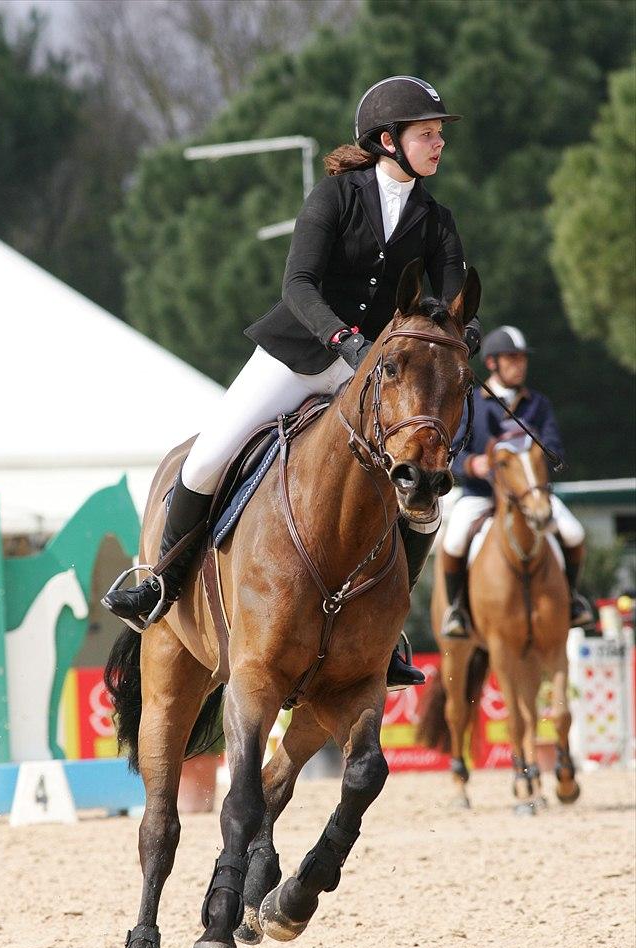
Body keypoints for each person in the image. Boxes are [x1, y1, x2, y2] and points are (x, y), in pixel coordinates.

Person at [103, 75, 481, 686]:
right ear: (389, 140)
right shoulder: (335, 197)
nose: (439, 144)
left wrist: (464, 330)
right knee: (207, 459)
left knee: (422, 499)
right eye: (428, 134)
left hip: (373, 377)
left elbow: (455, 291)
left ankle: (386, 632)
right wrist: (343, 339)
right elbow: (298, 285)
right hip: (299, 353)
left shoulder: (436, 220)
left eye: (439, 134)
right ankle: (160, 584)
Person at [440, 324, 594, 637]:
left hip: (530, 494)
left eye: (522, 358)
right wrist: (473, 463)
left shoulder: (538, 404)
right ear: (492, 362)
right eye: (512, 359)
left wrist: (538, 456)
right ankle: (456, 609)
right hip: (481, 493)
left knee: (574, 533)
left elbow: (555, 449)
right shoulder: (471, 402)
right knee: (453, 541)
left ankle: (573, 599)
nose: (520, 365)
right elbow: (452, 453)